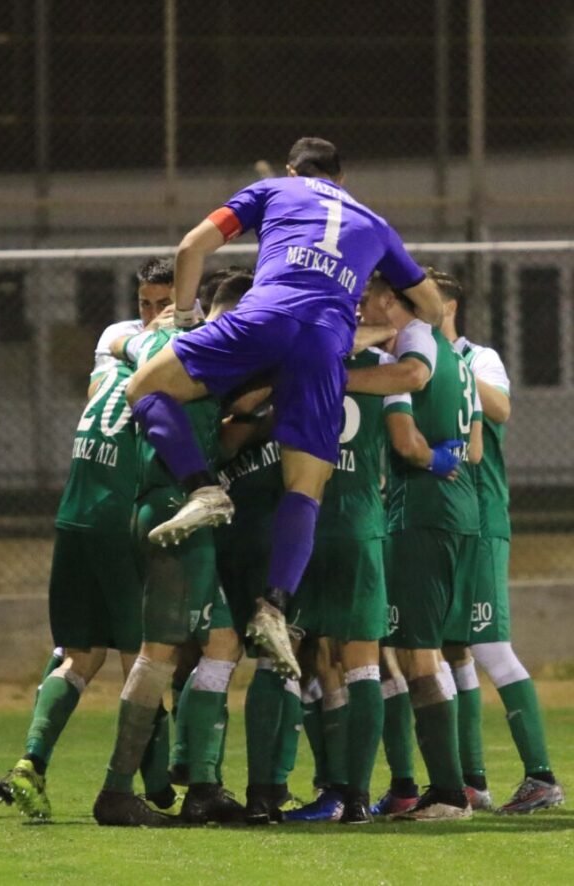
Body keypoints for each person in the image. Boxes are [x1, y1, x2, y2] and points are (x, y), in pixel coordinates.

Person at [123, 137, 444, 679]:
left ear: (295, 169)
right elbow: (431, 307)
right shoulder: (375, 224)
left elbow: (190, 249)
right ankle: (273, 606)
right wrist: (389, 324)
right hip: (325, 343)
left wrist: (182, 316)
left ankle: (203, 488)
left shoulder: (274, 188)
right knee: (306, 486)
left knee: (144, 390)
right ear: (343, 180)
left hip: (264, 316)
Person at [0, 259, 176, 821]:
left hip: (75, 514)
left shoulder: (121, 348)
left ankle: (30, 765)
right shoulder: (159, 351)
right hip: (118, 520)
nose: (150, 313)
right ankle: (159, 787)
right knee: (144, 654)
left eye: (161, 302)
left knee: (76, 654)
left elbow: (103, 387)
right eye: (143, 302)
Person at [93, 272, 254, 827]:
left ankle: (202, 782)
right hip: (174, 508)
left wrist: (148, 330)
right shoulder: (215, 353)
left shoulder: (155, 341)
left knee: (223, 641)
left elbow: (117, 341)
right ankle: (116, 790)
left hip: (175, 509)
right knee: (159, 653)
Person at [347, 271, 483, 821]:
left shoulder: (410, 349)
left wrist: (427, 458)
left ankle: (449, 792)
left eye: (364, 301)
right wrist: (444, 457)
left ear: (387, 300)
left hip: (420, 512)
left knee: (417, 651)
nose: (359, 310)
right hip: (460, 512)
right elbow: (472, 449)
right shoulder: (459, 358)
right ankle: (440, 785)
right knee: (429, 649)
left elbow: (405, 440)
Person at [438, 272, 564, 814]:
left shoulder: (478, 358)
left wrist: (448, 367)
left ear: (449, 307)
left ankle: (541, 777)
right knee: (450, 647)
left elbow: (501, 409)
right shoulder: (414, 360)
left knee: (490, 646)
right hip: (443, 523)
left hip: (483, 521)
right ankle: (472, 781)